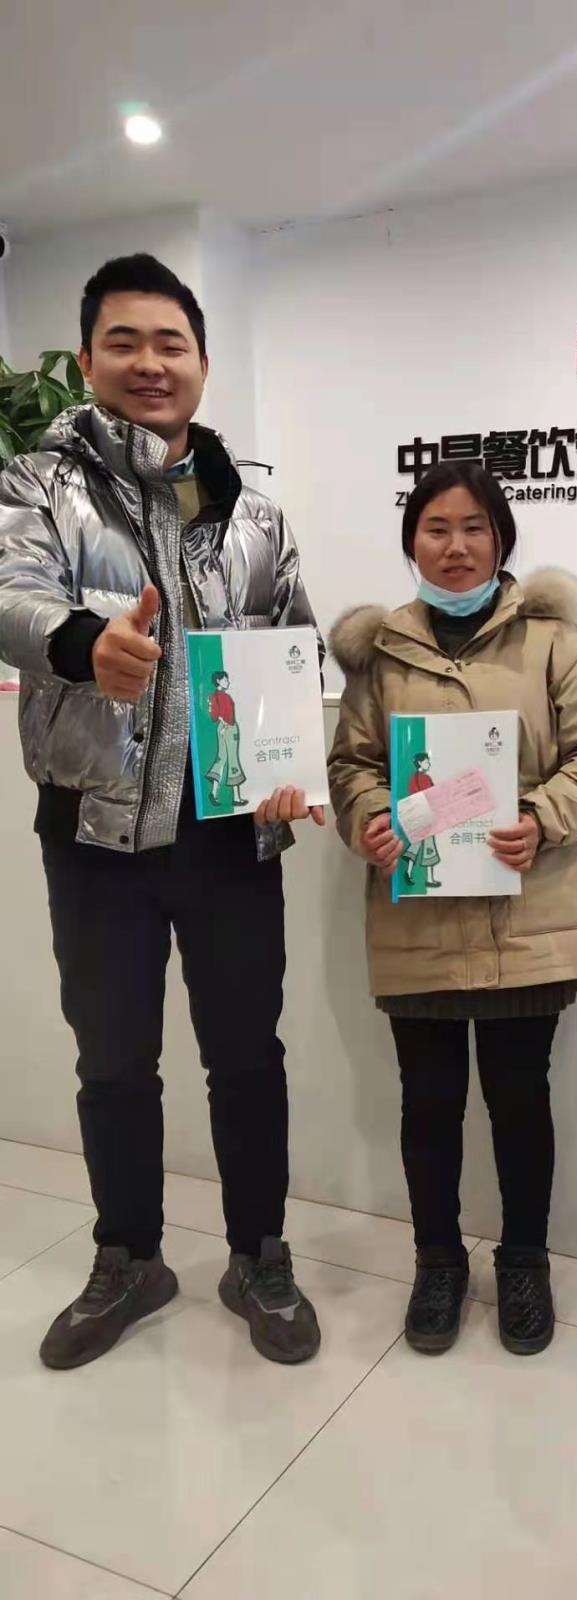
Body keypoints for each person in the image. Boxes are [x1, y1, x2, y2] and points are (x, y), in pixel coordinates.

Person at [0, 254, 324, 1369]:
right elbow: (9, 594)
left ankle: (259, 1252)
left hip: (233, 834)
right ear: (89, 359)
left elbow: (295, 639)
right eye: (124, 342)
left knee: (248, 1056)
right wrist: (82, 642)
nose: (149, 362)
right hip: (95, 830)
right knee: (113, 1064)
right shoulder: (38, 484)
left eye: (169, 343)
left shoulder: (254, 510)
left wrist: (292, 759)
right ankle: (129, 1256)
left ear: (201, 362)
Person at [328, 462, 577, 1357]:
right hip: (417, 914)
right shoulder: (380, 657)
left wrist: (541, 816)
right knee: (426, 1100)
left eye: (473, 527)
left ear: (501, 538)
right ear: (411, 543)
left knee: (517, 1097)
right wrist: (370, 816)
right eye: (435, 528)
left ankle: (523, 1262)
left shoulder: (562, 645)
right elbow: (351, 764)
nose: (455, 546)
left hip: (526, 916)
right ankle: (436, 1261)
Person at [207, 669, 246, 808]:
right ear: (218, 681)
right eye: (225, 679)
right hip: (229, 727)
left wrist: (222, 723)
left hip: (221, 728)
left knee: (221, 758)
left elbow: (214, 715)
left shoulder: (213, 696)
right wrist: (226, 724)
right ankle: (236, 797)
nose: (227, 682)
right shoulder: (224, 697)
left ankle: (213, 793)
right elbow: (226, 714)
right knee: (233, 760)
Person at [402, 753, 441, 889]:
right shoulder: (422, 778)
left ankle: (408, 872)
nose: (428, 764)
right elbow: (430, 795)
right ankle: (429, 879)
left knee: (416, 844)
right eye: (426, 761)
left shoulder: (416, 778)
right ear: (420, 763)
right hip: (425, 815)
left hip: (418, 816)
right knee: (429, 846)